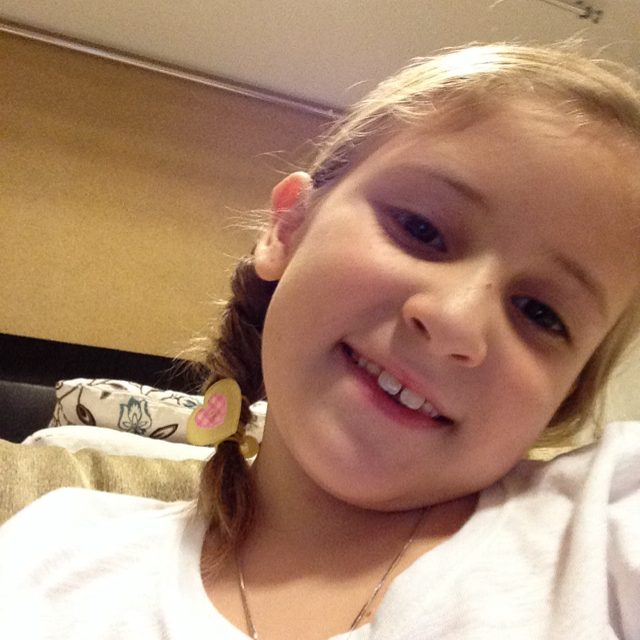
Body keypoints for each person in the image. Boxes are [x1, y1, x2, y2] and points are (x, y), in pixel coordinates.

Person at [1, 43, 640, 640]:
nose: (455, 321)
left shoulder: (595, 537)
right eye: (420, 228)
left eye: (539, 312)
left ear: (566, 398)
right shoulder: (52, 553)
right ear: (289, 226)